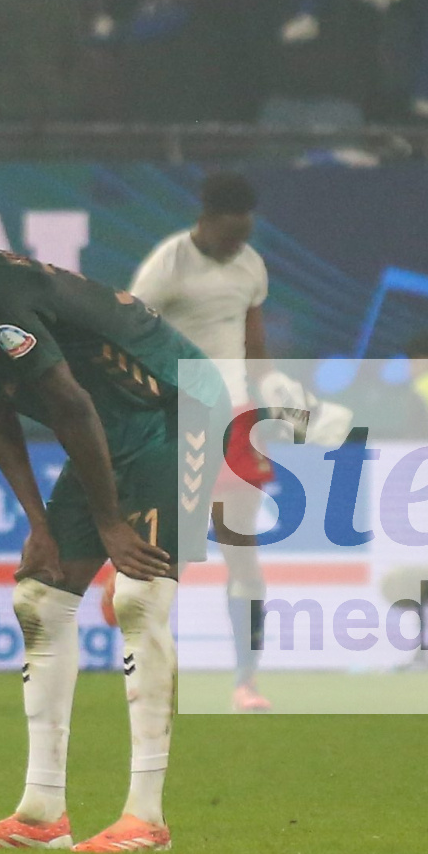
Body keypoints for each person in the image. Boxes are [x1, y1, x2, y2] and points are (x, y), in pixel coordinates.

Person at [0, 249, 225, 853]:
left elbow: (70, 405)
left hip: (177, 407)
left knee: (139, 600)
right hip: (110, 425)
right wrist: (39, 524)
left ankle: (146, 819)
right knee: (39, 601)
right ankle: (40, 815)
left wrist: (111, 524)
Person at [127, 172, 273, 713]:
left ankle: (245, 682)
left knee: (241, 547)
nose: (237, 246)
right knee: (172, 551)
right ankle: (150, 670)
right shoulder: (169, 264)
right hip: (179, 415)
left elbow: (255, 345)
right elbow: (129, 330)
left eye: (245, 235)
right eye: (230, 235)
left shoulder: (250, 266)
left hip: (234, 415)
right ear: (206, 221)